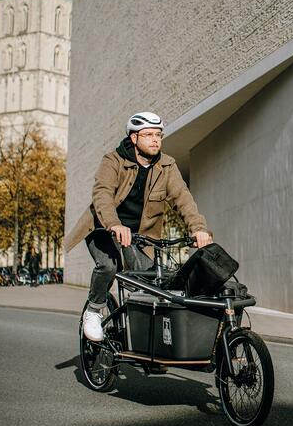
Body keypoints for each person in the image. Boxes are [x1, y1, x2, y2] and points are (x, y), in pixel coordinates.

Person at [64, 112, 212, 342]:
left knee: (150, 281)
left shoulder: (167, 166)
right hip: (103, 229)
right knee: (108, 266)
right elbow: (102, 194)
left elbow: (182, 198)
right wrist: (114, 224)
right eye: (149, 135)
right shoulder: (113, 161)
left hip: (139, 237)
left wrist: (198, 228)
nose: (156, 140)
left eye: (159, 135)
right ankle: (93, 311)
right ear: (134, 138)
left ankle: (144, 338)